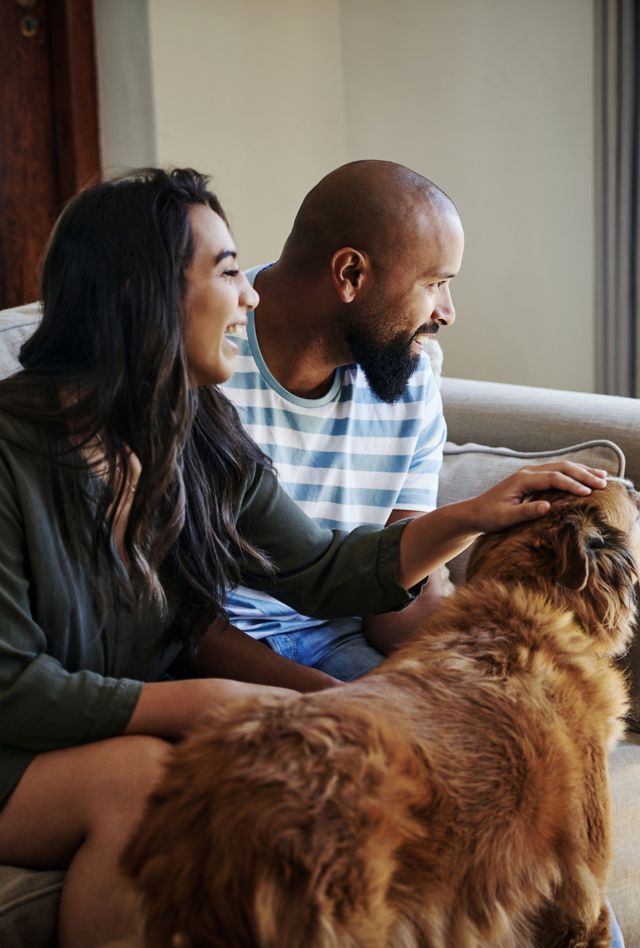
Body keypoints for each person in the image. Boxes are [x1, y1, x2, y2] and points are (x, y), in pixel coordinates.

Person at [0, 167, 607, 947]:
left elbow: (319, 569)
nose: (249, 296)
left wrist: (471, 516)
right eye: (225, 272)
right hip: (21, 739)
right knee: (144, 781)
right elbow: (12, 687)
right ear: (143, 295)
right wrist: (207, 702)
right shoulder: (13, 453)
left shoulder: (191, 432)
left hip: (91, 729)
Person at [219, 160, 459, 687]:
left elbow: (396, 599)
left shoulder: (411, 377)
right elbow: (170, 621)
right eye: (435, 283)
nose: (447, 311)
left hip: (337, 640)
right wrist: (338, 705)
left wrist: (487, 663)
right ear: (350, 274)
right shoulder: (205, 355)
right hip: (213, 656)